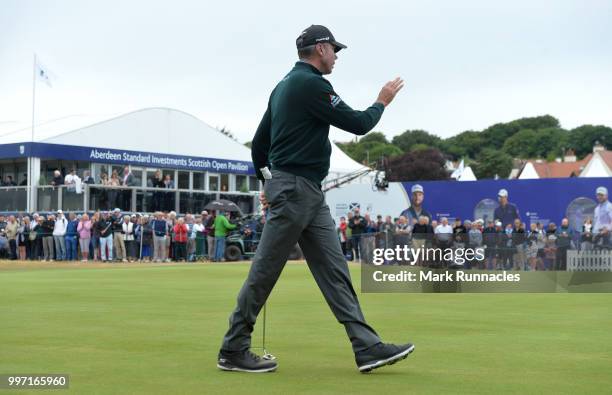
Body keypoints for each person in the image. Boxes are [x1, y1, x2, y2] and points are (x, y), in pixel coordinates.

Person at [218, 24, 411, 374]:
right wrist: (382, 100)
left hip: (302, 191)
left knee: (335, 272)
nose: (336, 56)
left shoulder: (282, 87)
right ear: (320, 49)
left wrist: (268, 182)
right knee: (265, 271)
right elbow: (359, 123)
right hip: (296, 190)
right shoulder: (311, 84)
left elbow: (259, 147)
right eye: (334, 49)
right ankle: (233, 348)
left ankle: (366, 347)